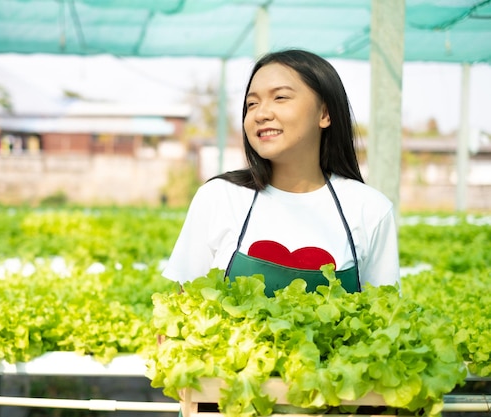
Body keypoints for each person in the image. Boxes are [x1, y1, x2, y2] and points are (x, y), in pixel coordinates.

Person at [162, 49, 400, 296]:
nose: (261, 114)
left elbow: (383, 319)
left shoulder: (370, 210)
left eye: (280, 98)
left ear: (325, 114)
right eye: (252, 104)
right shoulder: (219, 197)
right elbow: (182, 315)